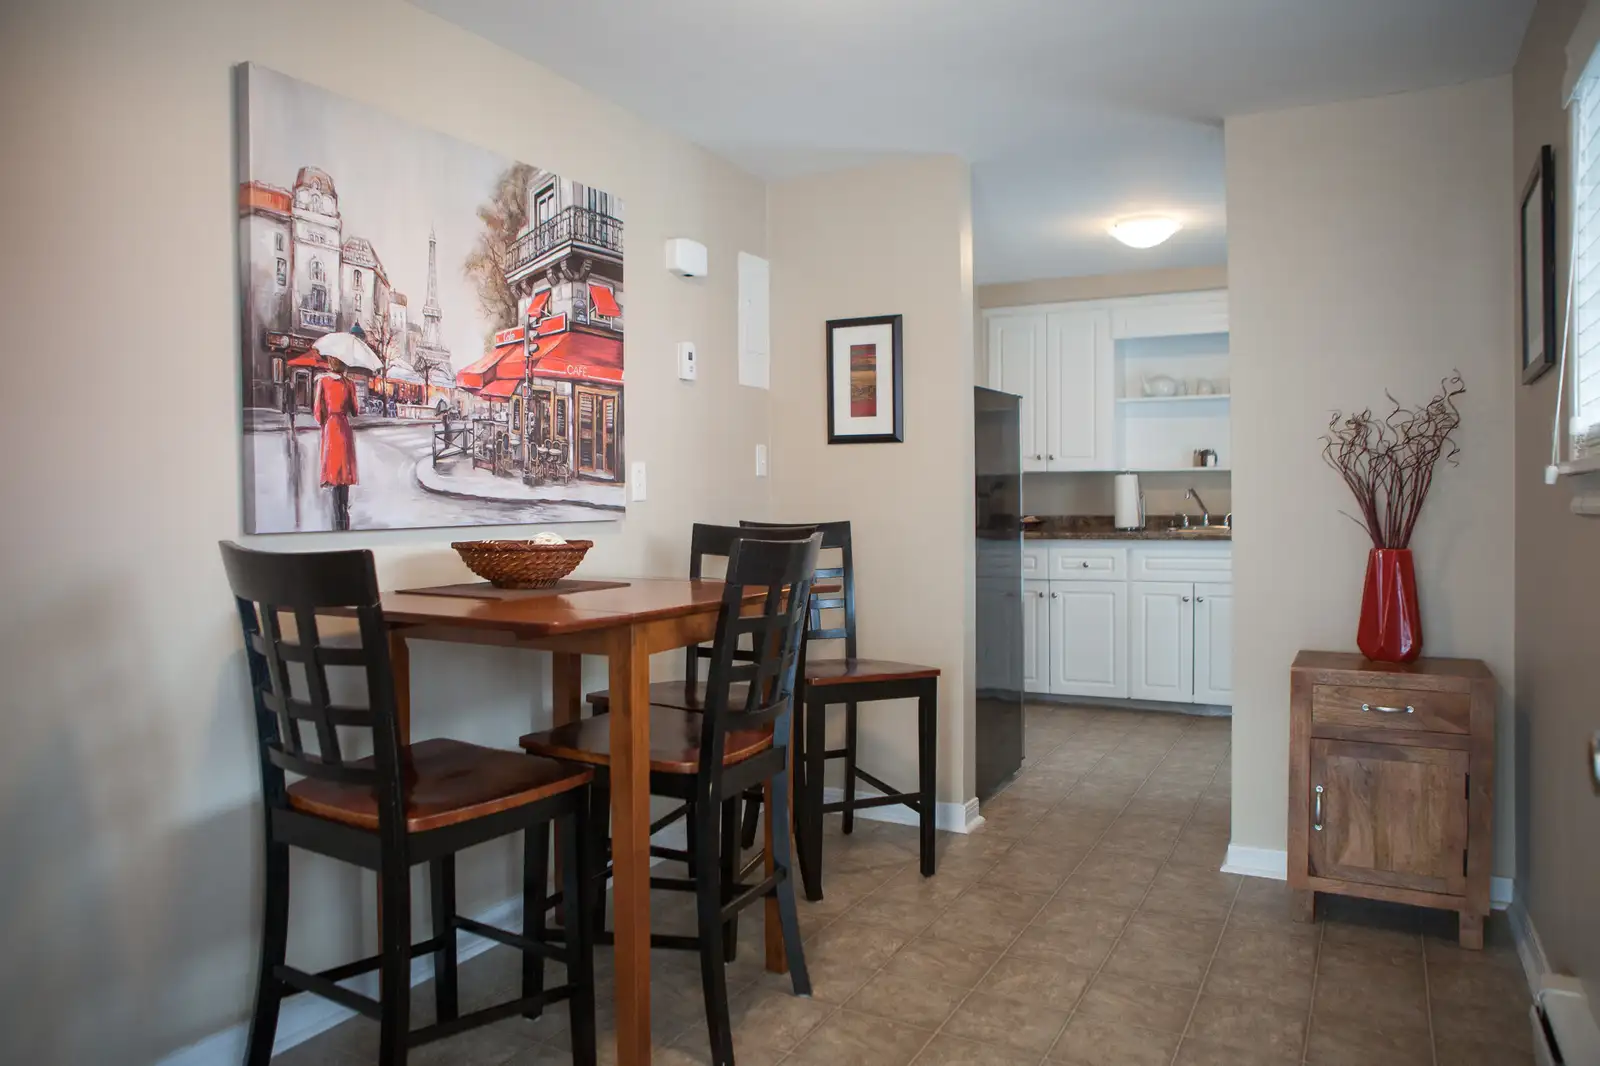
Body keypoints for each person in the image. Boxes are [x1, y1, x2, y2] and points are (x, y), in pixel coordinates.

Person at [313, 356, 359, 530]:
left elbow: (318, 413)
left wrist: (326, 419)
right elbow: (355, 410)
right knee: (344, 473)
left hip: (331, 428)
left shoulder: (323, 382)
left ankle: (337, 519)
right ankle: (344, 512)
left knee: (333, 472)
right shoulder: (349, 384)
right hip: (344, 428)